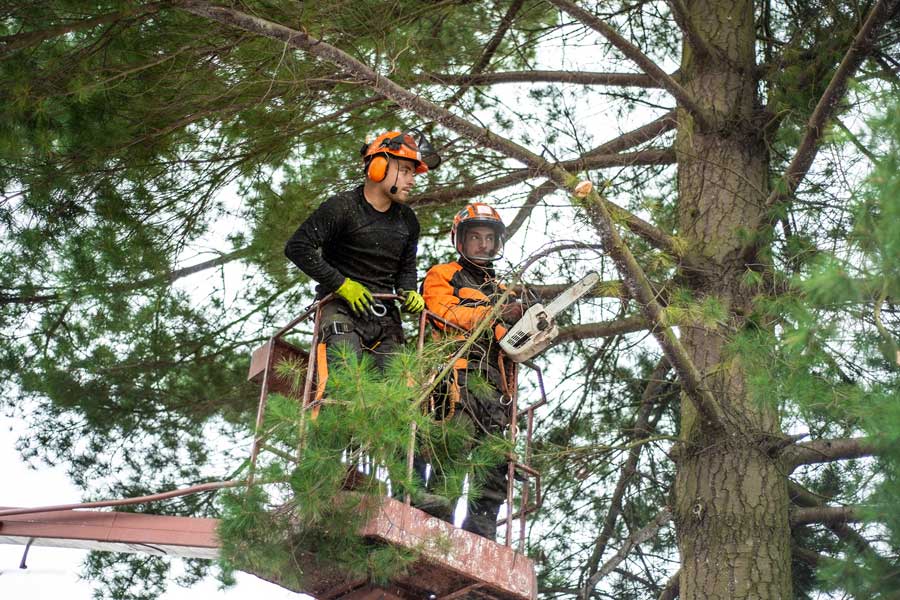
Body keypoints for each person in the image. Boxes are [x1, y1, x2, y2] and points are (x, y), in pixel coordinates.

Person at [284, 130, 439, 370]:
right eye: (406, 171)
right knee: (346, 378)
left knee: (394, 394)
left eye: (413, 173)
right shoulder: (342, 207)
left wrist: (408, 291)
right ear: (379, 166)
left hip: (385, 317)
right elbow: (297, 247)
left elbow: (406, 267)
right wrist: (342, 284)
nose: (412, 181)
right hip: (339, 310)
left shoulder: (408, 221)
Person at [419, 202, 524, 540]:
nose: (483, 244)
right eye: (476, 237)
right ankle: (435, 528)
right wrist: (492, 314)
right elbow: (441, 312)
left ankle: (481, 537)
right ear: (461, 240)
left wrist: (524, 320)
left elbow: (514, 347)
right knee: (453, 449)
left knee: (493, 469)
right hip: (459, 375)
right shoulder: (443, 274)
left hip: (499, 390)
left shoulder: (502, 288)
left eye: (490, 238)